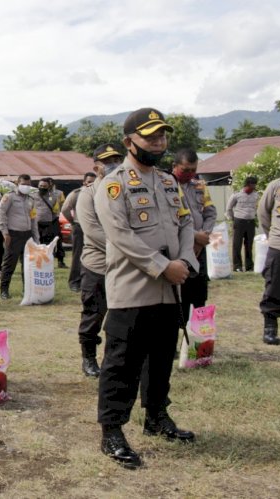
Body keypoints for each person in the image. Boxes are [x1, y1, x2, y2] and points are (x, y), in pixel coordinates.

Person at [95, 108, 197, 469]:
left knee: (160, 359)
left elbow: (186, 224)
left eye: (162, 136)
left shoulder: (169, 182)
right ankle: (112, 431)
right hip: (133, 289)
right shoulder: (112, 184)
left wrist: (185, 262)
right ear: (129, 142)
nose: (159, 143)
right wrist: (162, 266)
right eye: (151, 137)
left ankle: (156, 416)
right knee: (122, 363)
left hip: (170, 290)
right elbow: (119, 235)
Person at [75, 145, 123, 378]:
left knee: (122, 315)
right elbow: (92, 231)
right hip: (98, 264)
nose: (113, 163)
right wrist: (128, 246)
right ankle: (89, 357)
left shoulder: (125, 189)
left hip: (125, 266)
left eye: (117, 159)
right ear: (96, 166)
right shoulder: (87, 194)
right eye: (108, 161)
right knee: (94, 314)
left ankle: (116, 358)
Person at [172, 148, 216, 323]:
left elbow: (210, 213)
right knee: (180, 297)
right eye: (185, 170)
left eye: (193, 170)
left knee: (200, 296)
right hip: (179, 249)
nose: (190, 174)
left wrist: (203, 237)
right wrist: (194, 237)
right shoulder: (165, 186)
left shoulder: (200, 185)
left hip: (199, 250)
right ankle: (177, 343)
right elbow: (169, 220)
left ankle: (199, 343)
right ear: (174, 166)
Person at [0, 174, 39, 300]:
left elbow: (33, 220)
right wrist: (5, 232)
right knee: (9, 263)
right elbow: (0, 214)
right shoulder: (9, 196)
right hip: (13, 234)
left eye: (28, 184)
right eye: (23, 184)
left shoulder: (31, 199)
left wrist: (36, 238)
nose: (26, 186)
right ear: (17, 183)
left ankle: (26, 290)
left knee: (27, 264)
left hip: (27, 235)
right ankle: (4, 290)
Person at [257, 176, 280, 345]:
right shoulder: (276, 185)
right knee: (274, 287)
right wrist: (272, 235)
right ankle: (270, 329)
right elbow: (262, 212)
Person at [62, 172, 96, 292]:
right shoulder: (76, 194)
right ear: (84, 182)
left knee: (95, 255)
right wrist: (73, 222)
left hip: (96, 228)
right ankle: (75, 282)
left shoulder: (100, 193)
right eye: (89, 181)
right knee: (78, 255)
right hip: (80, 227)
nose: (91, 183)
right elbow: (65, 209)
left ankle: (91, 281)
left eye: (93, 181)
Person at [226, 176, 259, 272]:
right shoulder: (237, 195)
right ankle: (237, 266)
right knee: (237, 244)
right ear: (247, 185)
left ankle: (249, 266)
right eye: (253, 184)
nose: (254, 186)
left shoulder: (256, 195)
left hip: (251, 222)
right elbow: (229, 208)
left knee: (249, 245)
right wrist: (233, 219)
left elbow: (256, 207)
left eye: (255, 184)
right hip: (239, 221)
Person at [45, 178, 68, 268]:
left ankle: (60, 261)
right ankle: (45, 261)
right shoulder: (40, 194)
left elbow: (63, 205)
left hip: (55, 219)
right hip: (44, 221)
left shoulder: (59, 193)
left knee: (58, 240)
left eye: (50, 184)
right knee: (45, 241)